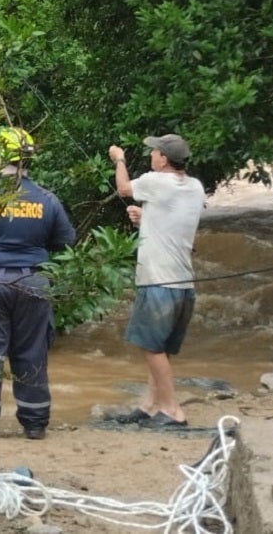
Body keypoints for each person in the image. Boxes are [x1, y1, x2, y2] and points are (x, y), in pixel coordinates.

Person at [0, 128, 77, 442]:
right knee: (31, 352)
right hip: (34, 282)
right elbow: (66, 241)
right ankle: (35, 424)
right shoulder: (47, 198)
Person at [109, 133, 205, 429]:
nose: (151, 156)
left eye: (154, 152)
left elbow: (124, 189)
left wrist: (119, 159)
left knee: (151, 347)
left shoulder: (156, 181)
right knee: (160, 347)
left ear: (163, 158)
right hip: (183, 285)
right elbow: (173, 218)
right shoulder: (195, 186)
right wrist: (147, 217)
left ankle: (173, 410)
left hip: (158, 283)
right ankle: (150, 405)